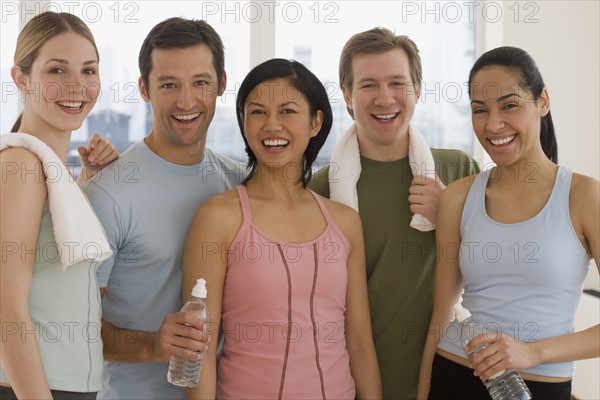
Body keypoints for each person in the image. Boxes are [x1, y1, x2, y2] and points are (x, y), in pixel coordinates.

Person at [183, 58, 382, 399]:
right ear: (243, 123)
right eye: (257, 112)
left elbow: (360, 343)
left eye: (288, 111)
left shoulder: (345, 223)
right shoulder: (218, 218)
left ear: (316, 121)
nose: (271, 125)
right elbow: (198, 349)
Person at [417, 46, 599, 400]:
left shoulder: (584, 196)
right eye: (480, 110)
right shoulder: (458, 197)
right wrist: (422, 392)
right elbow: (441, 314)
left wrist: (534, 351)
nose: (494, 124)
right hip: (453, 374)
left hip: (540, 386)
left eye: (510, 105)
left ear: (542, 101)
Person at [308, 27, 480, 398]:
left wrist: (450, 216)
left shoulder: (459, 172)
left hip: (452, 376)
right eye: (369, 85)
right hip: (348, 383)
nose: (385, 99)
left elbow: (496, 269)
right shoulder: (320, 191)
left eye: (397, 83)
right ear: (348, 96)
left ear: (417, 91)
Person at [81, 17, 245, 399]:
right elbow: (75, 325)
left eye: (200, 83)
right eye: (169, 84)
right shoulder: (108, 193)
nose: (186, 102)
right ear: (144, 89)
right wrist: (152, 344)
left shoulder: (240, 184)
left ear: (221, 84)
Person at [0, 11, 118, 400]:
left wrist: (85, 181)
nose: (76, 86)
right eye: (56, 71)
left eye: (88, 71)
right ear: (21, 79)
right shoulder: (20, 165)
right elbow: (6, 311)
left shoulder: (50, 171)